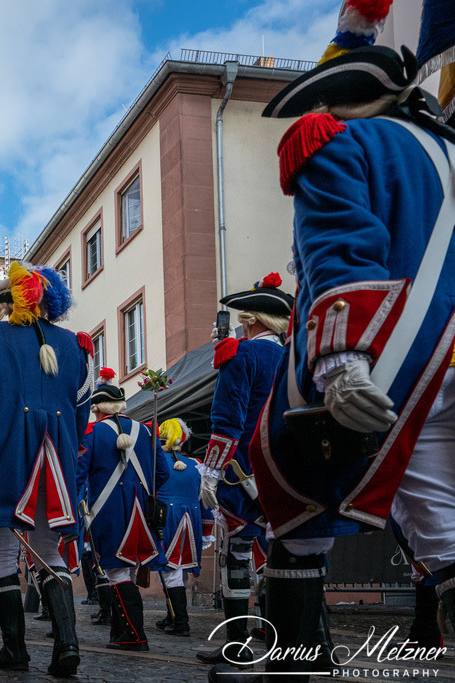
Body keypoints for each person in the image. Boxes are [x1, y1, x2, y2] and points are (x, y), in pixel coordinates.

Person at [245, 31, 455, 677]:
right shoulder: (446, 150)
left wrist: (341, 358)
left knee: (297, 503)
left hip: (397, 363)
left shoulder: (342, 141)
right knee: (445, 534)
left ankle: (296, 661)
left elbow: (341, 248)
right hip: (445, 361)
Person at [0, 261, 92, 677]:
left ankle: (15, 650)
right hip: (58, 454)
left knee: (3, 549)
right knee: (50, 551)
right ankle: (66, 644)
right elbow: (82, 411)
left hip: (7, 452)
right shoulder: (77, 345)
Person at [196, 273, 291, 668]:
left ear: (252, 321)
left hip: (244, 471)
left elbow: (227, 423)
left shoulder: (241, 353)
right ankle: (299, 641)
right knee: (289, 554)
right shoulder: (294, 357)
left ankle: (237, 643)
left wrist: (210, 474)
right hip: (289, 473)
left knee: (236, 555)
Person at [77, 368, 168, 652]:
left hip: (109, 510)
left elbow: (78, 475)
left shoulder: (92, 433)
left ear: (98, 409)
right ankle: (119, 632)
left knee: (116, 573)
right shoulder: (145, 431)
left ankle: (134, 635)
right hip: (142, 510)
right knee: (126, 572)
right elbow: (161, 473)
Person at [154, 418, 207, 637]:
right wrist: (208, 530)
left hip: (168, 517)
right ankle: (172, 616)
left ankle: (181, 622)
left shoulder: (156, 461)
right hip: (191, 518)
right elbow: (205, 501)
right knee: (180, 568)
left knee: (170, 569)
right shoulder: (196, 464)